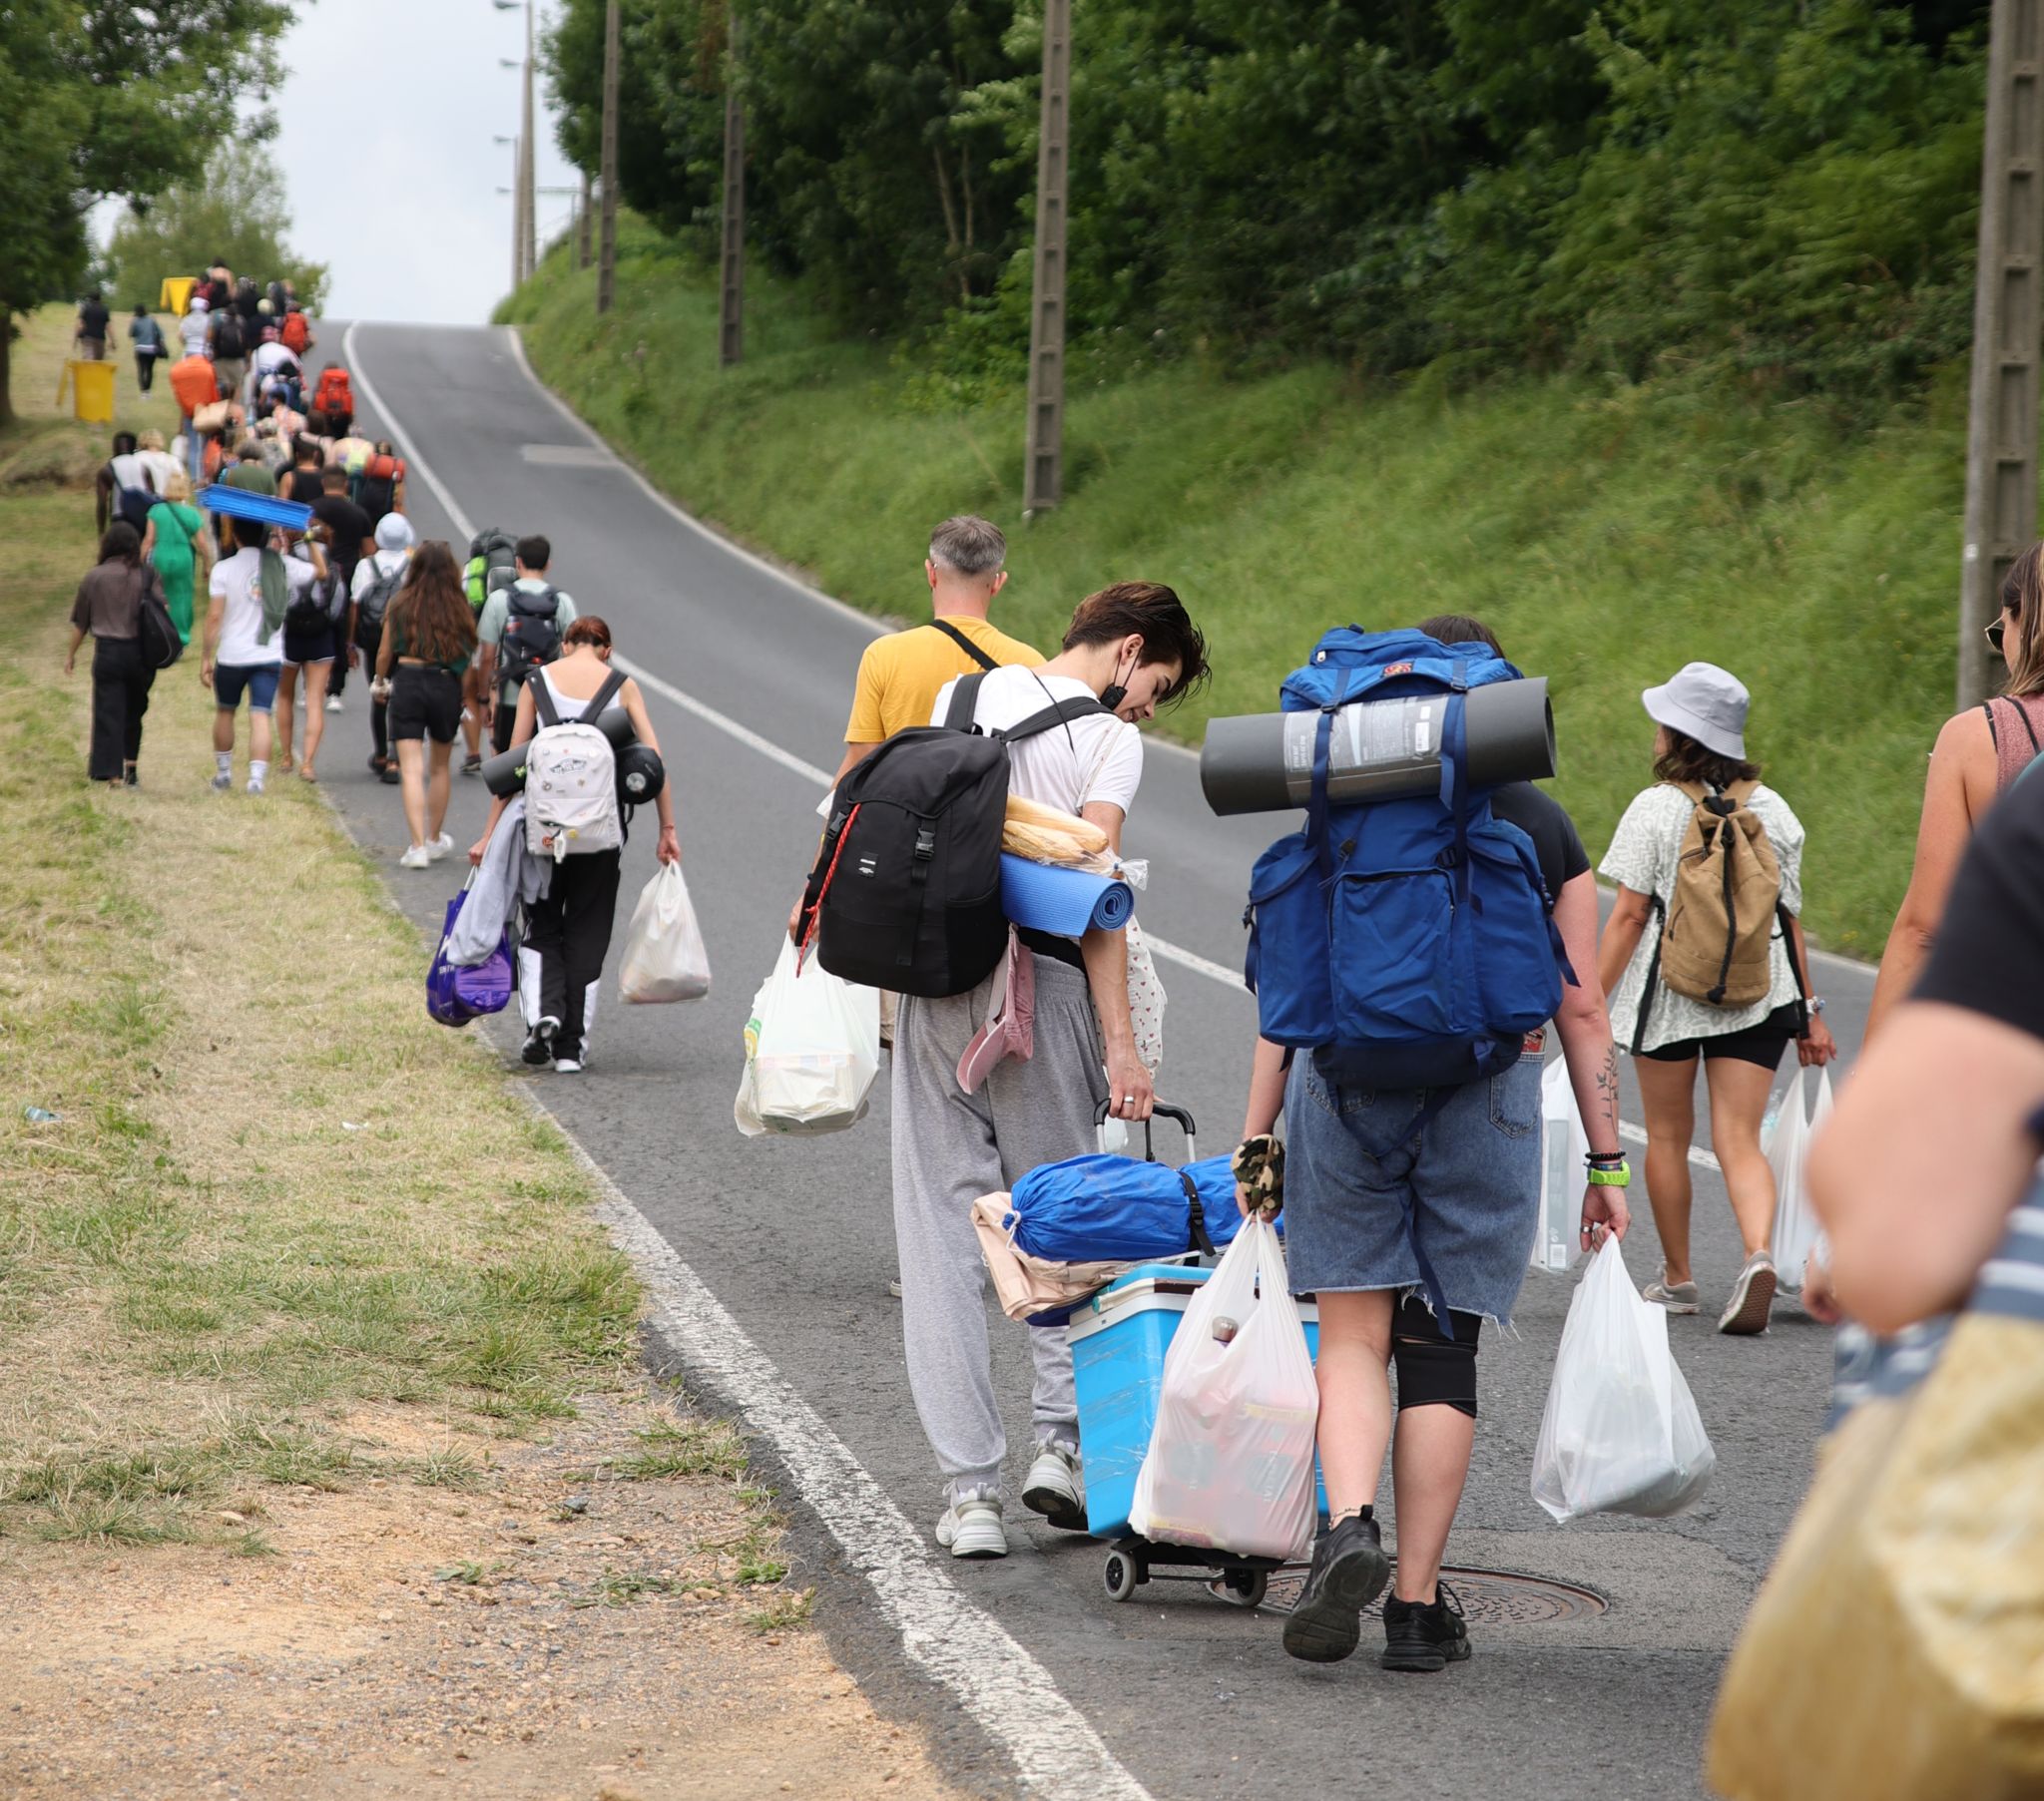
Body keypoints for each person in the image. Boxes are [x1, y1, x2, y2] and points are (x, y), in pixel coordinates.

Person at [1246, 614, 1629, 1674]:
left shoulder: (1342, 808)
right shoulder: (1539, 823)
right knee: (1439, 1349)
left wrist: (1253, 1142)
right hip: (1483, 1093)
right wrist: (1605, 1159)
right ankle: (1414, 1608)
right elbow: (1580, 1007)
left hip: (1343, 1089)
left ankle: (1347, 1524)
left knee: (1355, 1336)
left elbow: (1283, 997)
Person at [883, 582, 1208, 1561]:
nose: (1147, 707)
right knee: (1059, 1220)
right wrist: (1121, 1046)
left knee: (940, 1240)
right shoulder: (1106, 742)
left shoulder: (955, 700)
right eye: (1156, 686)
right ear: (1129, 650)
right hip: (1047, 991)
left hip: (937, 986)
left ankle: (967, 1493)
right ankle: (1061, 1453)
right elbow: (1091, 886)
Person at [1595, 663, 1837, 1336]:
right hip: (1760, 995)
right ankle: (1757, 1252)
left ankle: (1678, 1278)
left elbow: (1628, 917)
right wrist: (1809, 1011)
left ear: (1677, 734)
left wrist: (1584, 998)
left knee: (1668, 1136)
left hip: (1668, 993)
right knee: (1738, 1138)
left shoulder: (1657, 809)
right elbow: (1788, 922)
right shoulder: (1776, 810)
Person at [467, 617, 682, 1073]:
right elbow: (655, 761)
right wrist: (667, 829)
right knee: (587, 928)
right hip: (601, 835)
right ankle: (570, 1049)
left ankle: (542, 1011)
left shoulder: (536, 682)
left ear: (565, 644)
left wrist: (489, 834)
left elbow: (513, 767)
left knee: (542, 922)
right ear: (607, 648)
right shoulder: (622, 686)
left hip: (542, 832)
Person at [1866, 540, 2044, 1042]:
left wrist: (1875, 1083)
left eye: (1999, 631)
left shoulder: (1978, 739)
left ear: (2022, 623)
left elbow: (1924, 928)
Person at [833, 516, 1044, 788]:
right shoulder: (1031, 666)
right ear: (997, 583)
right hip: (985, 827)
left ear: (931, 574)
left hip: (901, 823)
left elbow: (861, 764)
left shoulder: (885, 655)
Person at [204, 516, 327, 795]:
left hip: (232, 654)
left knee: (226, 711)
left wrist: (205, 657)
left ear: (236, 536)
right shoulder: (281, 564)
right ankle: (256, 779)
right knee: (260, 714)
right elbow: (321, 572)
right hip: (268, 654)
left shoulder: (223, 569)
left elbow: (214, 617)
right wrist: (307, 540)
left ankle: (224, 775)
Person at [374, 541, 476, 866]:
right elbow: (467, 655)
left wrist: (380, 681)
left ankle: (416, 846)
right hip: (446, 683)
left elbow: (384, 653)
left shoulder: (400, 603)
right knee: (440, 767)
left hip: (408, 679)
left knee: (412, 768)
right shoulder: (460, 607)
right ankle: (434, 838)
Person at [66, 523, 164, 786]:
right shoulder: (147, 575)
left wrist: (71, 654)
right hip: (139, 653)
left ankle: (112, 774)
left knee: (109, 712)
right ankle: (131, 768)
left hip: (108, 651)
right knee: (134, 710)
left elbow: (81, 623)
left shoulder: (94, 577)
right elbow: (162, 608)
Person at [475, 534, 577, 755]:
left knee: (508, 768)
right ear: (548, 565)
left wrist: (484, 699)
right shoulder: (562, 602)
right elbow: (575, 656)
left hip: (510, 698)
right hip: (549, 700)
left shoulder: (498, 599)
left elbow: (486, 656)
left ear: (517, 562)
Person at [274, 522, 344, 781]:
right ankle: (308, 764)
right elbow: (338, 605)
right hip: (321, 636)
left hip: (290, 634)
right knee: (314, 700)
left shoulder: (286, 562)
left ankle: (285, 756)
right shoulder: (331, 564)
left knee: (285, 697)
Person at [352, 513, 413, 785]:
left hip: (373, 639)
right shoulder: (412, 566)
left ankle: (379, 753)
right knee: (401, 698)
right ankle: (394, 757)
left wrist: (351, 642)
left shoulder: (366, 566)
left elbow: (355, 605)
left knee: (379, 693)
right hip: (404, 639)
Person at [311, 466, 372, 713]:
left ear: (323, 483)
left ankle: (311, 682)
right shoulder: (359, 513)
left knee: (314, 626)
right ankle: (335, 690)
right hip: (346, 576)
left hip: (315, 574)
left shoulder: (311, 509)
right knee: (341, 630)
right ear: (346, 485)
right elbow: (369, 551)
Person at [139, 466, 212, 646]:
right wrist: (208, 564)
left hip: (161, 555)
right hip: (184, 557)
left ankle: (160, 632)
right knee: (182, 596)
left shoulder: (156, 510)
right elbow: (203, 543)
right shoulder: (192, 514)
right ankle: (181, 636)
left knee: (159, 594)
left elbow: (148, 540)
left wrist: (139, 561)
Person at [168, 350, 221, 483]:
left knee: (194, 447)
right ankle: (199, 478)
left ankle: (195, 478)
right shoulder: (207, 369)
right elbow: (213, 391)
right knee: (203, 448)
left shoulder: (179, 371)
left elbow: (180, 397)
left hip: (190, 414)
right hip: (207, 413)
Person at [96, 432, 139, 537]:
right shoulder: (143, 466)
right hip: (141, 516)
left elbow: (102, 503)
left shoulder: (107, 469)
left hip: (119, 516)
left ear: (114, 447)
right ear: (134, 447)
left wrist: (101, 531)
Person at [209, 303, 249, 409]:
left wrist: (214, 359)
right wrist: (248, 362)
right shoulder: (241, 326)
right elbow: (247, 346)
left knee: (224, 385)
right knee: (238, 385)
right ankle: (234, 408)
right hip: (238, 360)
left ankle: (224, 407)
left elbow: (214, 344)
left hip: (222, 360)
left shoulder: (220, 326)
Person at [129, 305, 166, 391]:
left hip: (140, 349)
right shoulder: (151, 320)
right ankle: (147, 389)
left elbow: (131, 334)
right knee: (149, 370)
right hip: (151, 349)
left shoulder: (135, 321)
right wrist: (162, 343)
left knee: (141, 370)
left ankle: (143, 390)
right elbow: (160, 333)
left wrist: (132, 323)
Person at [134, 428, 180, 497]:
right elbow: (179, 480)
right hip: (168, 499)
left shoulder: (137, 457)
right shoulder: (172, 459)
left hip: (146, 498)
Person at [285, 436, 324, 503]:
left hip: (297, 512)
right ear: (315, 455)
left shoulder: (289, 477)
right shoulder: (325, 476)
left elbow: (282, 503)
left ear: (297, 455)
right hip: (318, 513)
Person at [75, 291, 111, 360]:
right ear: (100, 299)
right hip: (100, 339)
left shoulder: (86, 309)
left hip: (88, 338)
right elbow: (108, 327)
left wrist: (75, 341)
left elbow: (80, 325)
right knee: (98, 362)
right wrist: (112, 341)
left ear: (90, 299)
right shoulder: (104, 309)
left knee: (88, 360)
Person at [178, 293, 211, 359]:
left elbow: (180, 336)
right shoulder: (208, 319)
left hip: (189, 350)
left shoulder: (186, 319)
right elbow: (209, 335)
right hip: (203, 351)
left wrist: (187, 344)